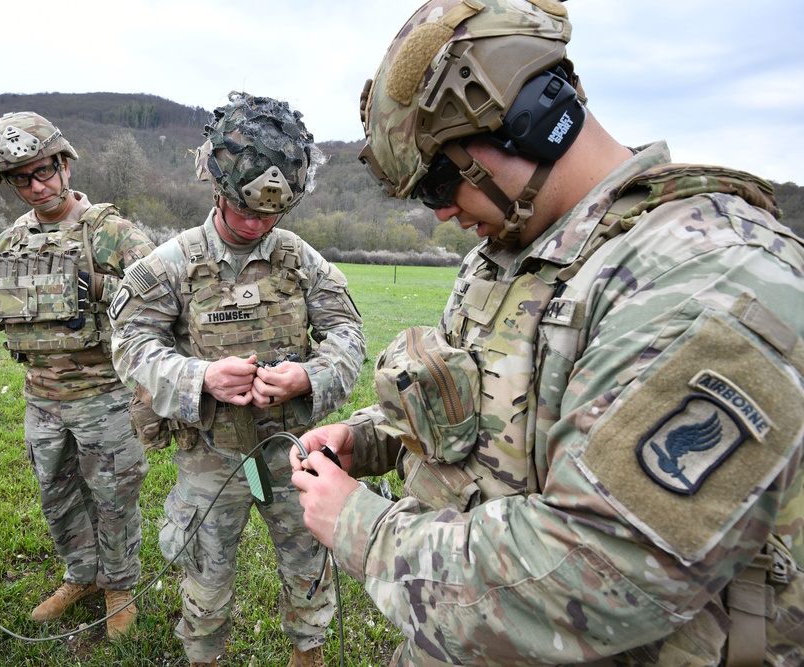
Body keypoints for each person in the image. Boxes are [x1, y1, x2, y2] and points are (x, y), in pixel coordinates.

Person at [290, 1, 804, 665]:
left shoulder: (711, 277)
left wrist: (361, 525)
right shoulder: (508, 255)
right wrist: (368, 438)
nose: (443, 210)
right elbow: (468, 400)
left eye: (442, 179)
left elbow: (604, 573)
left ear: (530, 121)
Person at [110, 92, 366, 667]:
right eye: (242, 210)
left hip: (288, 452)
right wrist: (200, 377)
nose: (254, 225)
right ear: (216, 188)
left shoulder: (302, 263)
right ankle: (205, 656)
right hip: (210, 457)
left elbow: (349, 335)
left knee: (307, 562)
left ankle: (309, 653)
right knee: (205, 574)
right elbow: (129, 345)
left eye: (269, 215)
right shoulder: (170, 265)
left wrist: (308, 376)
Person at [0, 111, 155, 639]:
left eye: (43, 170)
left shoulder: (112, 233)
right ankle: (81, 575)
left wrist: (93, 289)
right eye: (20, 178)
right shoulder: (9, 242)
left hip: (104, 396)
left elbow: (162, 301)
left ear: (65, 164)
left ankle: (119, 584)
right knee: (58, 495)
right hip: (41, 398)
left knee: (113, 495)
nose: (36, 186)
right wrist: (26, 298)